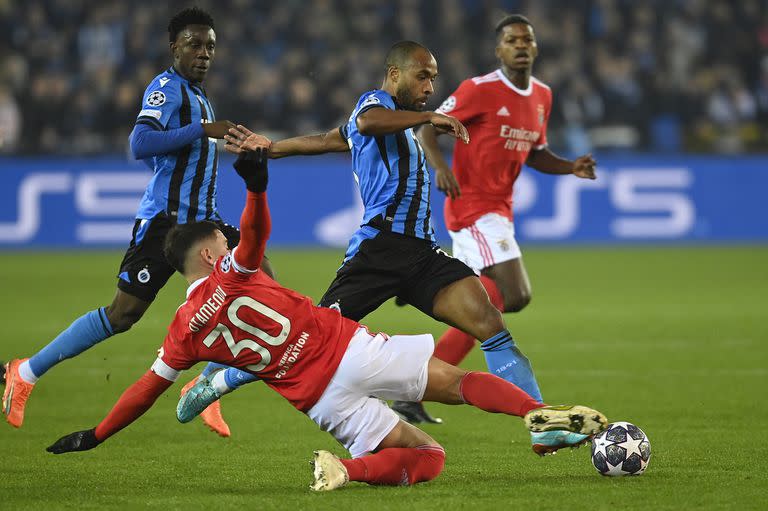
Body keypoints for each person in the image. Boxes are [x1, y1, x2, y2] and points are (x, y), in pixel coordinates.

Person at [44, 143, 608, 490]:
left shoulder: (180, 334)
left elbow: (144, 391)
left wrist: (96, 435)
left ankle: (345, 468)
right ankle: (537, 414)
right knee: (460, 383)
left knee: (428, 459)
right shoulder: (234, 271)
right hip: (348, 349)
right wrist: (257, 189)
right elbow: (257, 232)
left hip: (317, 401)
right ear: (213, 254)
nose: (232, 238)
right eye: (224, 237)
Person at [179, 40, 591, 453]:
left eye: (433, 78)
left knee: (489, 322)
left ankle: (542, 421)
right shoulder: (375, 107)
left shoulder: (395, 124)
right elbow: (367, 123)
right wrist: (430, 116)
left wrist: (271, 148)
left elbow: (327, 140)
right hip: (378, 251)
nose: (430, 85)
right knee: (304, 338)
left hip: (421, 254)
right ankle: (217, 378)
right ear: (395, 75)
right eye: (422, 75)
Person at [1, 7, 271, 433]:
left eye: (210, 46)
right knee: (122, 315)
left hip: (203, 222)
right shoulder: (167, 89)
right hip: (167, 225)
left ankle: (204, 389)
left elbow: (167, 157)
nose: (204, 53)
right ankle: (24, 372)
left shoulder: (199, 97)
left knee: (261, 287)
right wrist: (203, 131)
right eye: (194, 45)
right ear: (174, 48)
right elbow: (140, 142)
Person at [391, 14, 598, 422]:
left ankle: (413, 388)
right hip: (471, 206)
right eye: (511, 40)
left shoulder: (542, 95)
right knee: (514, 293)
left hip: (499, 211)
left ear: (536, 48)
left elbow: (536, 152)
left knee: (490, 302)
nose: (520, 45)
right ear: (498, 49)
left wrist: (569, 167)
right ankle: (532, 409)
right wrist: (440, 168)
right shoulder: (480, 90)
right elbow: (428, 128)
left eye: (527, 39)